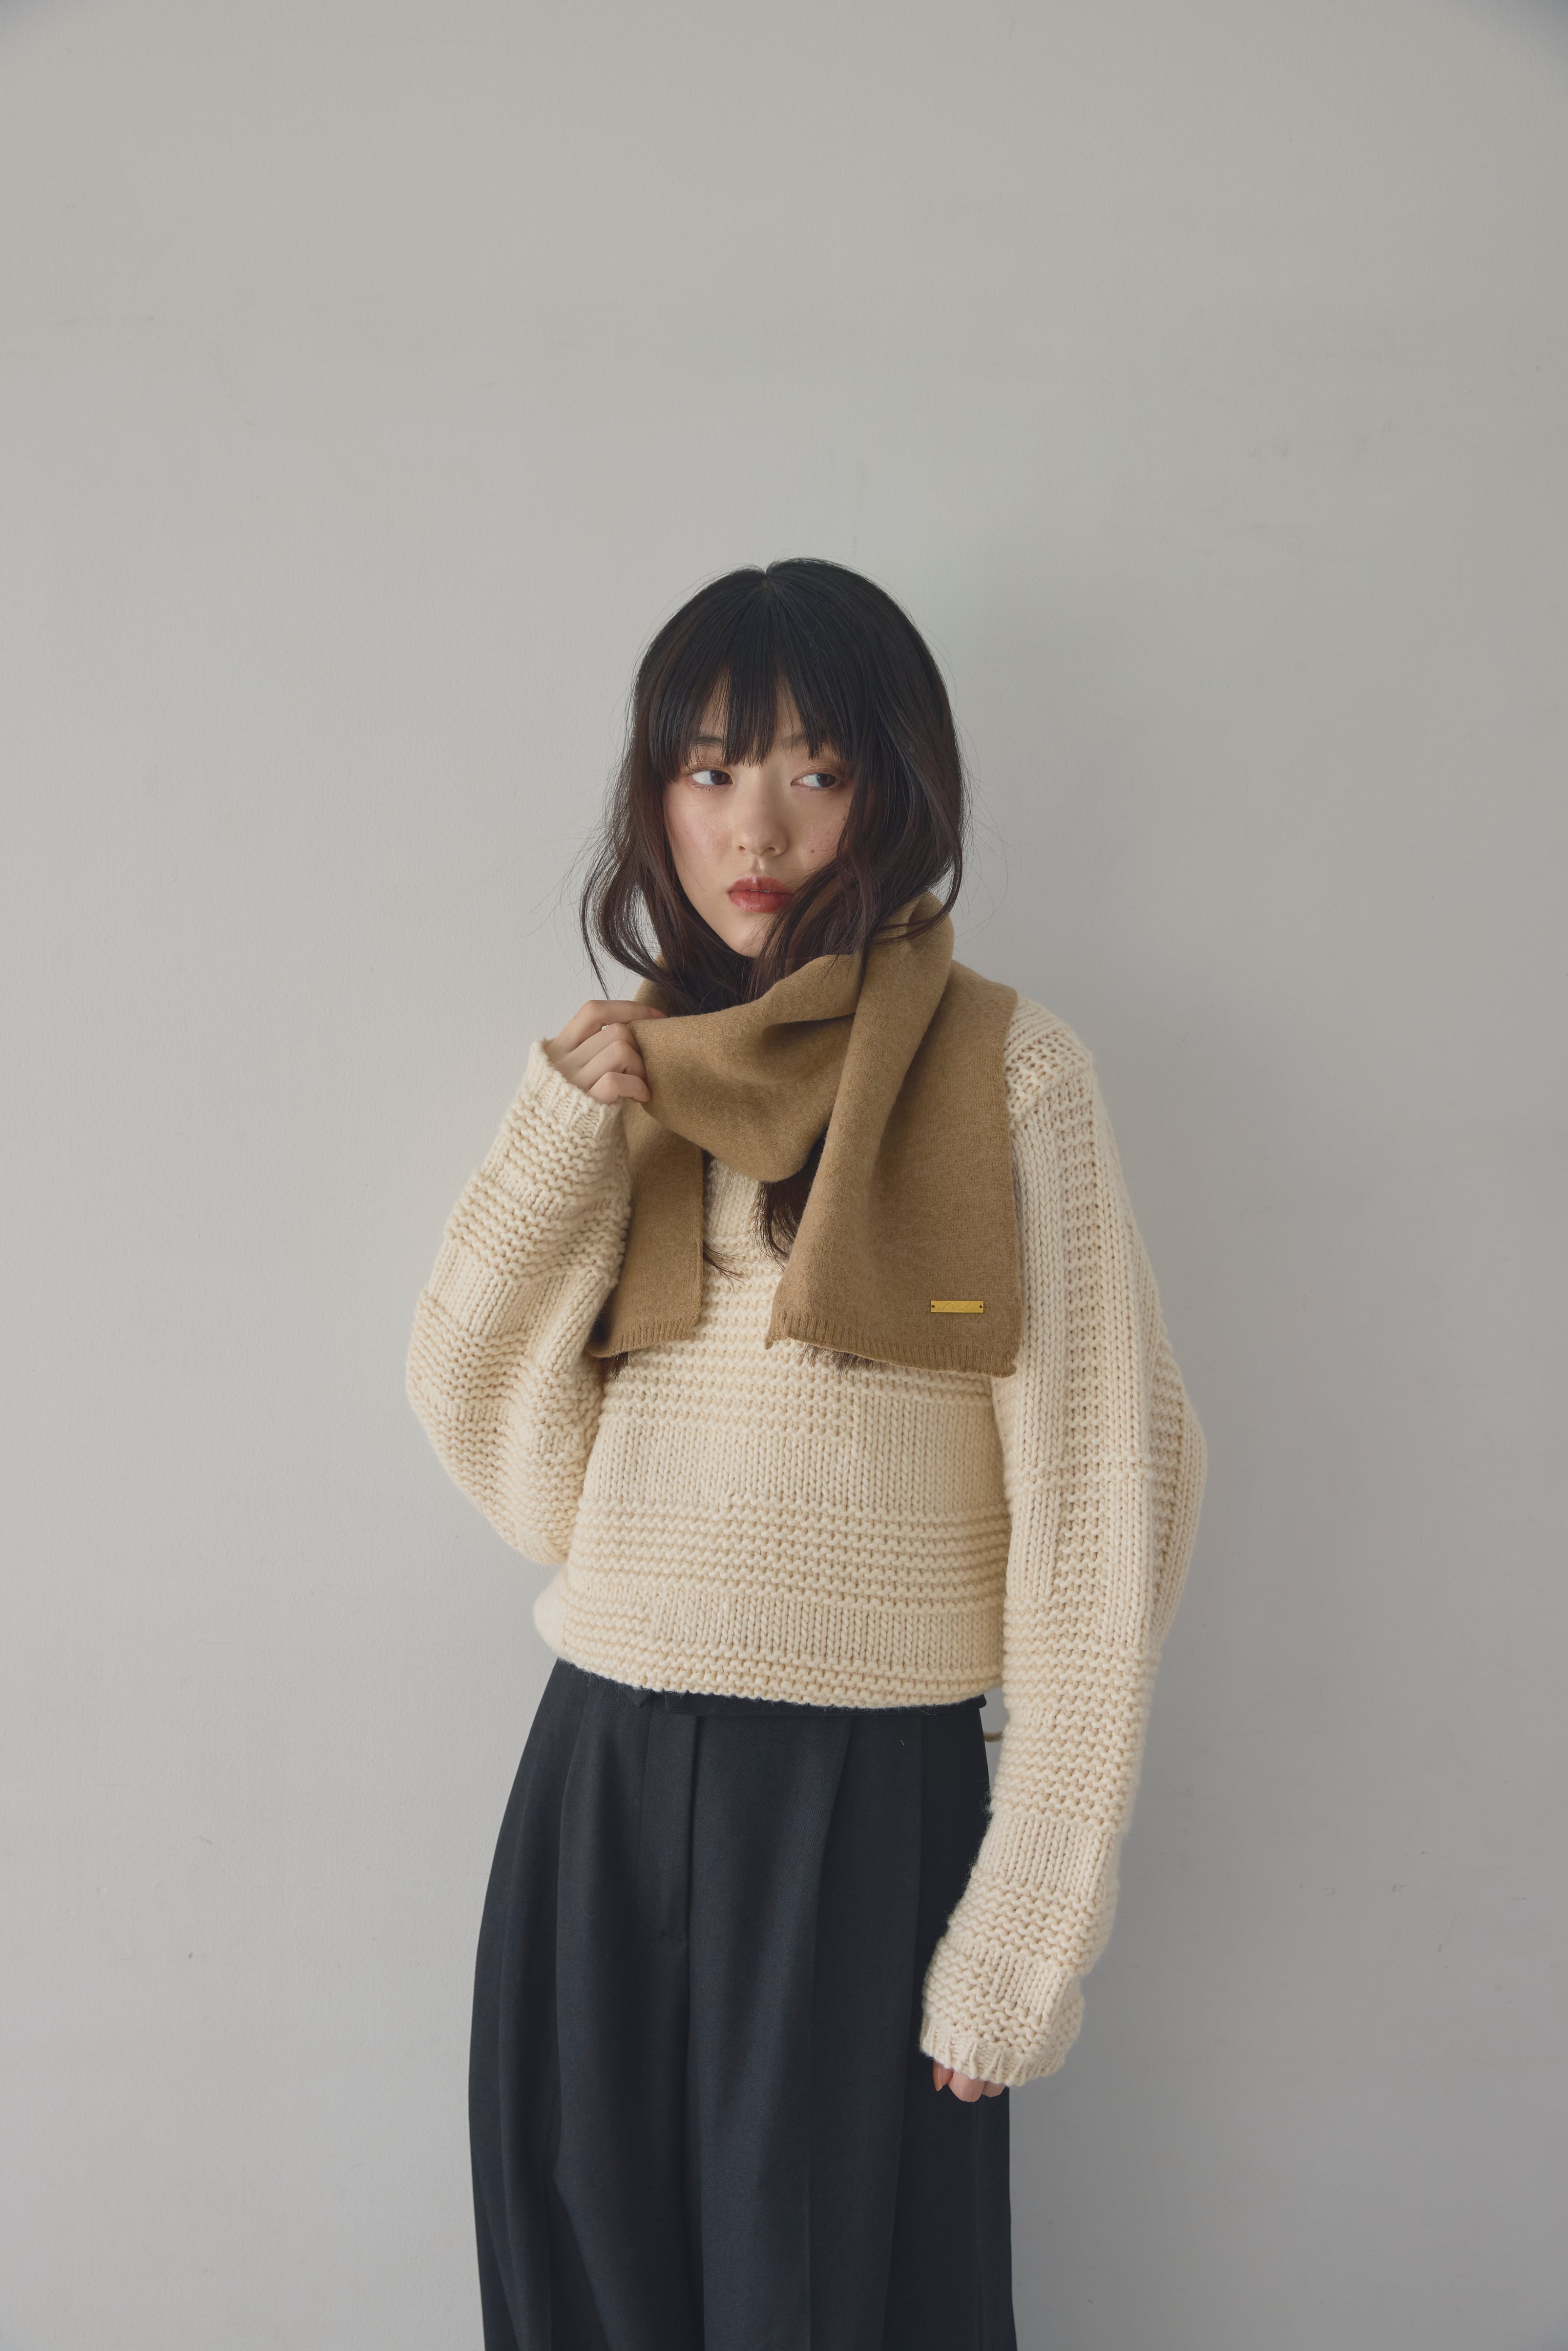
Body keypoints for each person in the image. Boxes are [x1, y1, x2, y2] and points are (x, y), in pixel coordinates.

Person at [405, 558, 1207, 2351]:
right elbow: (530, 1484)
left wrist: (1027, 1925)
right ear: (656, 799)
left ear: (892, 788)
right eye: (707, 771)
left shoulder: (1008, 1073)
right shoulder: (630, 1076)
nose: (752, 827)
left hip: (862, 1804)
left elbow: (1103, 1509)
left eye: (811, 769)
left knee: (829, 2307)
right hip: (602, 1775)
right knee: (577, 2301)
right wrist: (552, 1147)